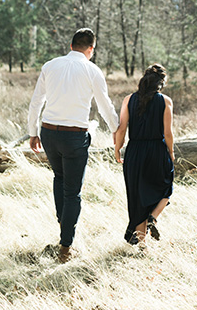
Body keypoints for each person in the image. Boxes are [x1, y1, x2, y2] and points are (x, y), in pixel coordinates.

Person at [28, 28, 119, 263]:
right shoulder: (92, 70)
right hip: (75, 137)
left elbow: (37, 100)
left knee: (59, 178)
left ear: (71, 46)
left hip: (48, 132)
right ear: (91, 49)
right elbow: (104, 104)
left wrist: (33, 131)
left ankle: (64, 223)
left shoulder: (50, 65)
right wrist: (116, 129)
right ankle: (66, 246)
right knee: (73, 192)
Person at [114, 63, 175, 246]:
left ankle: (143, 246)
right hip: (157, 150)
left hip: (135, 152)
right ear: (161, 83)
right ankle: (153, 218)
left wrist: (118, 149)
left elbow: (122, 128)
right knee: (166, 188)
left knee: (138, 199)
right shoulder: (165, 101)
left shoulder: (128, 99)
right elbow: (168, 133)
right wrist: (171, 152)